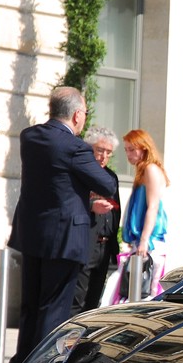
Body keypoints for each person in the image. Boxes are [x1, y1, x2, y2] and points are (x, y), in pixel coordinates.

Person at [8, 86, 118, 363]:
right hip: (65, 238)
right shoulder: (75, 147)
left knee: (31, 306)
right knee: (54, 309)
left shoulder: (30, 137)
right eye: (85, 113)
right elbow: (107, 184)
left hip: (33, 235)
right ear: (77, 115)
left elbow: (55, 182)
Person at [114, 128, 170, 302]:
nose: (128, 154)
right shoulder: (144, 170)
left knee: (145, 291)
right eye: (126, 150)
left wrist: (144, 240)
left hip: (150, 241)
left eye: (132, 149)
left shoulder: (150, 169)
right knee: (137, 290)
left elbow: (152, 207)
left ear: (144, 148)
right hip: (144, 241)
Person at [70, 127, 121, 314]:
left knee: (95, 300)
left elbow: (116, 212)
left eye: (108, 152)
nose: (103, 157)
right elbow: (71, 202)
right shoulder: (81, 172)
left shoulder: (111, 176)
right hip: (85, 243)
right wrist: (91, 206)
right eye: (100, 150)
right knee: (78, 298)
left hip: (105, 248)